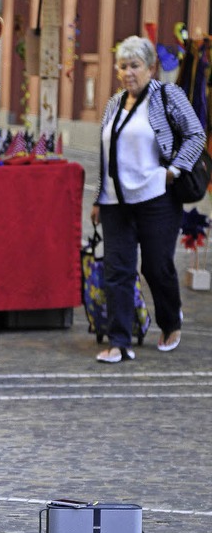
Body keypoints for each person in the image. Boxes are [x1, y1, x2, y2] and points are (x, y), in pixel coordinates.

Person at [91, 35, 205, 364]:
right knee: (118, 271)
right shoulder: (114, 103)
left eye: (135, 66)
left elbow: (196, 134)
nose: (128, 72)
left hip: (157, 197)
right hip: (116, 202)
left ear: (151, 68)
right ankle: (119, 341)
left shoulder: (168, 95)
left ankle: (170, 320)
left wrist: (173, 171)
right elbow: (105, 154)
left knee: (156, 267)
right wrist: (99, 197)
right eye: (123, 66)